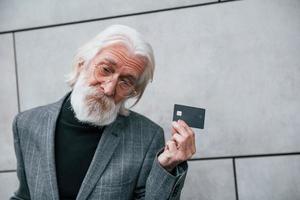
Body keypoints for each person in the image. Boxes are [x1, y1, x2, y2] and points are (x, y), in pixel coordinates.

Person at [10, 24, 196, 200]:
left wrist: (167, 167)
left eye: (125, 81)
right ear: (83, 63)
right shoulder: (26, 124)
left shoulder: (147, 135)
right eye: (106, 69)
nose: (109, 89)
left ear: (133, 91)